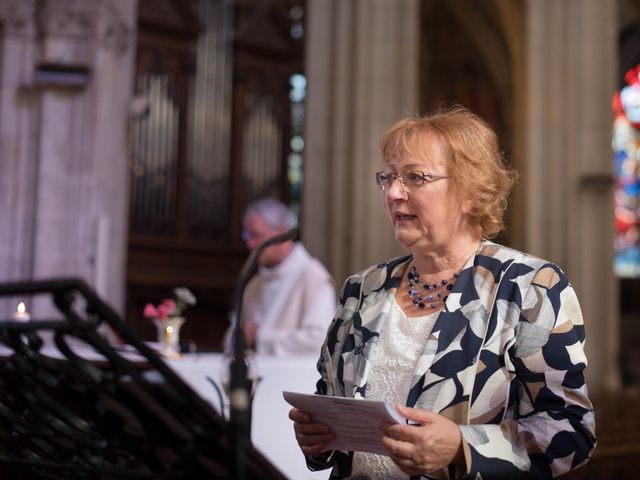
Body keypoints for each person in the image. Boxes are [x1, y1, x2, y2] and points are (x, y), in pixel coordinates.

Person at [289, 106, 596, 479]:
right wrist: (317, 439)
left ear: (469, 192)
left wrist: (463, 448)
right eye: (388, 177)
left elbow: (572, 431)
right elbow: (330, 403)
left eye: (415, 177)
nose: (394, 193)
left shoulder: (530, 286)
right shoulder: (362, 288)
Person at [224, 197, 336, 356]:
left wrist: (259, 338)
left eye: (256, 235)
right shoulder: (254, 284)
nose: (250, 245)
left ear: (282, 233)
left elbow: (320, 340)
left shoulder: (313, 276)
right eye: (247, 237)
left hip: (293, 378)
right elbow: (233, 335)